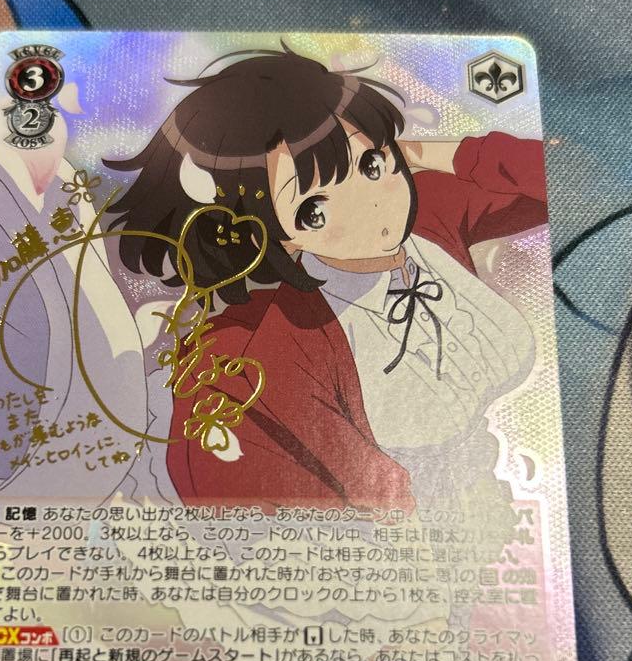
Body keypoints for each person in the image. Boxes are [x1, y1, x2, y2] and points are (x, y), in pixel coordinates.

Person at [105, 48, 547, 512]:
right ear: (274, 235)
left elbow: (554, 183)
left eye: (372, 165)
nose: (371, 204)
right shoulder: (289, 338)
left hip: (517, 478)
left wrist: (438, 153)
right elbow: (361, 502)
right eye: (312, 210)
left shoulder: (432, 214)